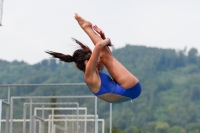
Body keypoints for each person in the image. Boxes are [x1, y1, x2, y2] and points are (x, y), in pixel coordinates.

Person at [46, 13, 141, 103]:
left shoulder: (94, 73)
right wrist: (108, 40)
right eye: (94, 59)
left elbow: (105, 54)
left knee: (105, 57)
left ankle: (86, 27)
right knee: (105, 56)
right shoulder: (89, 75)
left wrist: (103, 37)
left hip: (128, 89)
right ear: (87, 62)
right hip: (129, 88)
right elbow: (99, 46)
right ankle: (86, 27)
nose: (97, 61)